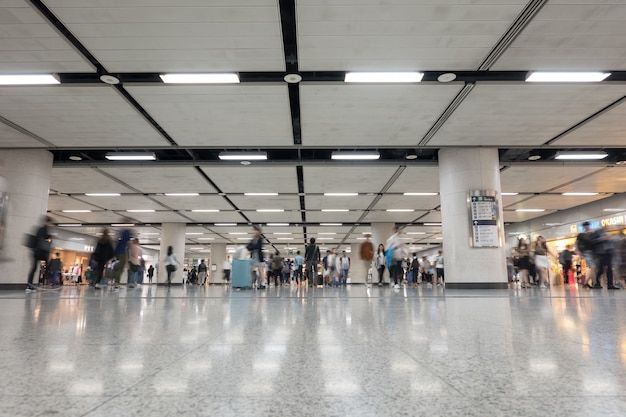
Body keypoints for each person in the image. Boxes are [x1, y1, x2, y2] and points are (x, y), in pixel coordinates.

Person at [25, 215, 52, 292]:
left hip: (35, 251)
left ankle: (29, 285)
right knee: (45, 263)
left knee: (34, 268)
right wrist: (50, 236)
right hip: (38, 251)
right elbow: (45, 237)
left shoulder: (40, 229)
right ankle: (47, 277)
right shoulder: (44, 229)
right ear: (47, 222)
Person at [576, 222, 596, 288]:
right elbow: (576, 243)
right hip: (587, 252)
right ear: (584, 227)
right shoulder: (581, 235)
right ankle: (590, 282)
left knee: (594, 268)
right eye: (586, 226)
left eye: (588, 226)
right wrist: (578, 251)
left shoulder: (592, 233)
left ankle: (591, 282)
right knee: (593, 267)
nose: (587, 227)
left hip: (593, 252)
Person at [386, 225, 406, 289]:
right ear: (396, 230)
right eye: (400, 229)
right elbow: (388, 248)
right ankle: (395, 283)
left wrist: (405, 253)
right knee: (394, 270)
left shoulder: (400, 239)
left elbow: (402, 248)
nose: (401, 230)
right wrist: (395, 247)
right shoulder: (391, 239)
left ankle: (395, 282)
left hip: (399, 257)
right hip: (393, 257)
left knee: (398, 270)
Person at [246, 225, 266, 289]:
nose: (254, 232)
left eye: (255, 230)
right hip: (253, 256)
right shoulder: (252, 239)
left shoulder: (260, 239)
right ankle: (250, 282)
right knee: (250, 269)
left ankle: (263, 284)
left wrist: (251, 247)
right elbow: (248, 247)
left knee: (261, 270)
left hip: (259, 256)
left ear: (258, 231)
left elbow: (258, 246)